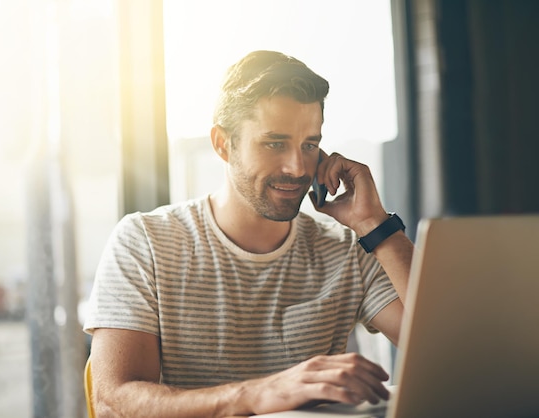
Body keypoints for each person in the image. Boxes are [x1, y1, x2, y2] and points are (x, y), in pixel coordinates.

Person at [84, 50, 414, 418]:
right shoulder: (145, 241)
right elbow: (113, 403)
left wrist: (375, 224)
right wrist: (258, 395)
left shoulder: (348, 249)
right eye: (274, 143)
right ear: (223, 144)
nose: (297, 167)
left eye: (309, 144)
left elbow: (449, 352)